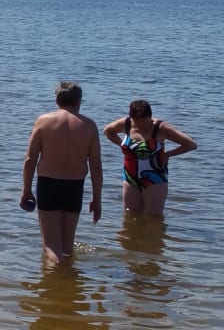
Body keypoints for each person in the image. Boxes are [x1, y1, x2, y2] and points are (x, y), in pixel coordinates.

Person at [21, 82, 103, 265]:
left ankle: (56, 285)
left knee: (50, 246)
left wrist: (26, 189)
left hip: (49, 184)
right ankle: (67, 282)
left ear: (57, 100)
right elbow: (96, 166)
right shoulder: (89, 126)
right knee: (67, 247)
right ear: (78, 101)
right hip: (75, 187)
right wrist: (97, 199)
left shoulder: (43, 121)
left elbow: (30, 160)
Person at [102, 99, 197, 218]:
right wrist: (122, 144)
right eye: (136, 121)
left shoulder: (160, 128)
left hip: (155, 179)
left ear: (150, 117)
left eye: (143, 121)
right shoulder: (126, 124)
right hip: (130, 177)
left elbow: (191, 145)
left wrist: (167, 154)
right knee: (130, 215)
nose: (140, 125)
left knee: (153, 217)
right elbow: (107, 131)